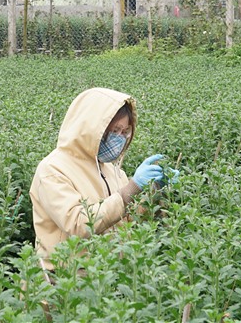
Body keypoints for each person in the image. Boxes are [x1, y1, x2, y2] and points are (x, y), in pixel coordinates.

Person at [29, 87, 176, 271]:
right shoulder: (53, 169)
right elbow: (78, 225)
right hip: (66, 282)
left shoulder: (111, 170)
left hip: (106, 277)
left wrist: (155, 189)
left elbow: (131, 220)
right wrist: (129, 190)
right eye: (115, 130)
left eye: (125, 132)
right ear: (92, 127)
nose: (120, 138)